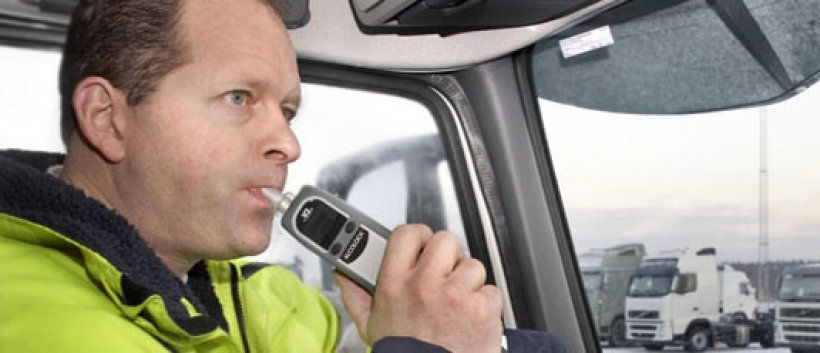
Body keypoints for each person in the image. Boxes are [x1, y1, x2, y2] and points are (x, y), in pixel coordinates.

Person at [0, 0, 565, 352]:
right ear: (107, 118)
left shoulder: (260, 296)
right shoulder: (27, 318)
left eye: (287, 111)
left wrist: (470, 335)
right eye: (239, 97)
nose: (289, 144)